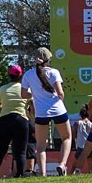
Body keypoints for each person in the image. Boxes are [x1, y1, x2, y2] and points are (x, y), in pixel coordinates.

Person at [21, 47, 71, 176]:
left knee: (41, 146)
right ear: (48, 59)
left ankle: (43, 173)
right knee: (66, 137)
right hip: (58, 110)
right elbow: (60, 93)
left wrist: (34, 95)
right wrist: (60, 98)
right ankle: (62, 164)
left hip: (41, 113)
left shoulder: (28, 74)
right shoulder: (54, 72)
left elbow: (23, 94)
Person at [0, 65, 30, 179]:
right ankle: (20, 174)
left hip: (5, 119)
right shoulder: (26, 89)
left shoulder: (3, 89)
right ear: (21, 76)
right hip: (21, 120)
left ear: (9, 75)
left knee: (0, 149)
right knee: (21, 151)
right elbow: (32, 105)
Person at [72, 106, 91, 172]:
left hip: (81, 146)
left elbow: (73, 135)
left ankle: (72, 175)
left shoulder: (77, 123)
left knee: (74, 165)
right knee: (90, 165)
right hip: (90, 145)